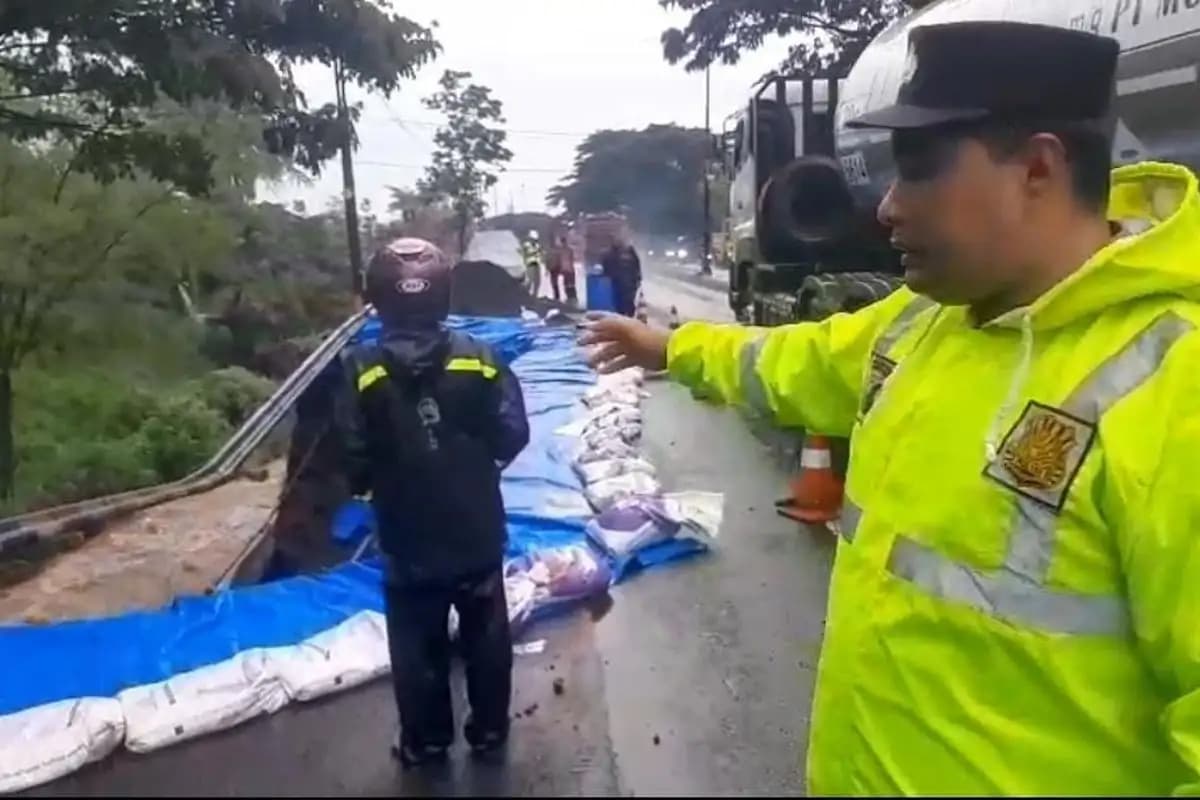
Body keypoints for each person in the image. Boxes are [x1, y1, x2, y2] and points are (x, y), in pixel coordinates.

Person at [580, 21, 1200, 796]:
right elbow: (788, 360)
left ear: (1038, 168)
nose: (887, 209)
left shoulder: (1175, 385)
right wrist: (667, 348)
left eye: (919, 171)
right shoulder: (924, 322)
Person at [334, 238, 530, 768]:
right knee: (487, 632)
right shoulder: (482, 359)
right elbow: (513, 431)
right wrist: (477, 466)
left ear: (378, 297)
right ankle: (489, 733)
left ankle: (426, 742)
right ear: (444, 292)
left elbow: (349, 452)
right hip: (477, 527)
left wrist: (370, 487)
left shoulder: (361, 368)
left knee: (416, 641)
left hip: (406, 534)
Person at [600, 238, 642, 317]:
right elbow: (637, 267)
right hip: (625, 283)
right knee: (626, 301)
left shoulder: (611, 254)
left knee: (622, 301)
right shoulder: (629, 254)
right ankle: (626, 316)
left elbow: (606, 267)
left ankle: (624, 315)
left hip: (622, 282)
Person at [546, 234, 577, 305]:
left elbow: (560, 260)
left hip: (566, 270)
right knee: (569, 285)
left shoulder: (560, 251)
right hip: (568, 270)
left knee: (568, 285)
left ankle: (570, 299)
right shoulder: (568, 250)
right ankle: (572, 299)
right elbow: (571, 259)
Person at [520, 230, 542, 297]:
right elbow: (523, 255)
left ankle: (535, 295)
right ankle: (525, 295)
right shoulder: (526, 245)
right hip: (530, 265)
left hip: (537, 264)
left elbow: (540, 254)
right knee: (529, 282)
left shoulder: (538, 245)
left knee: (537, 282)